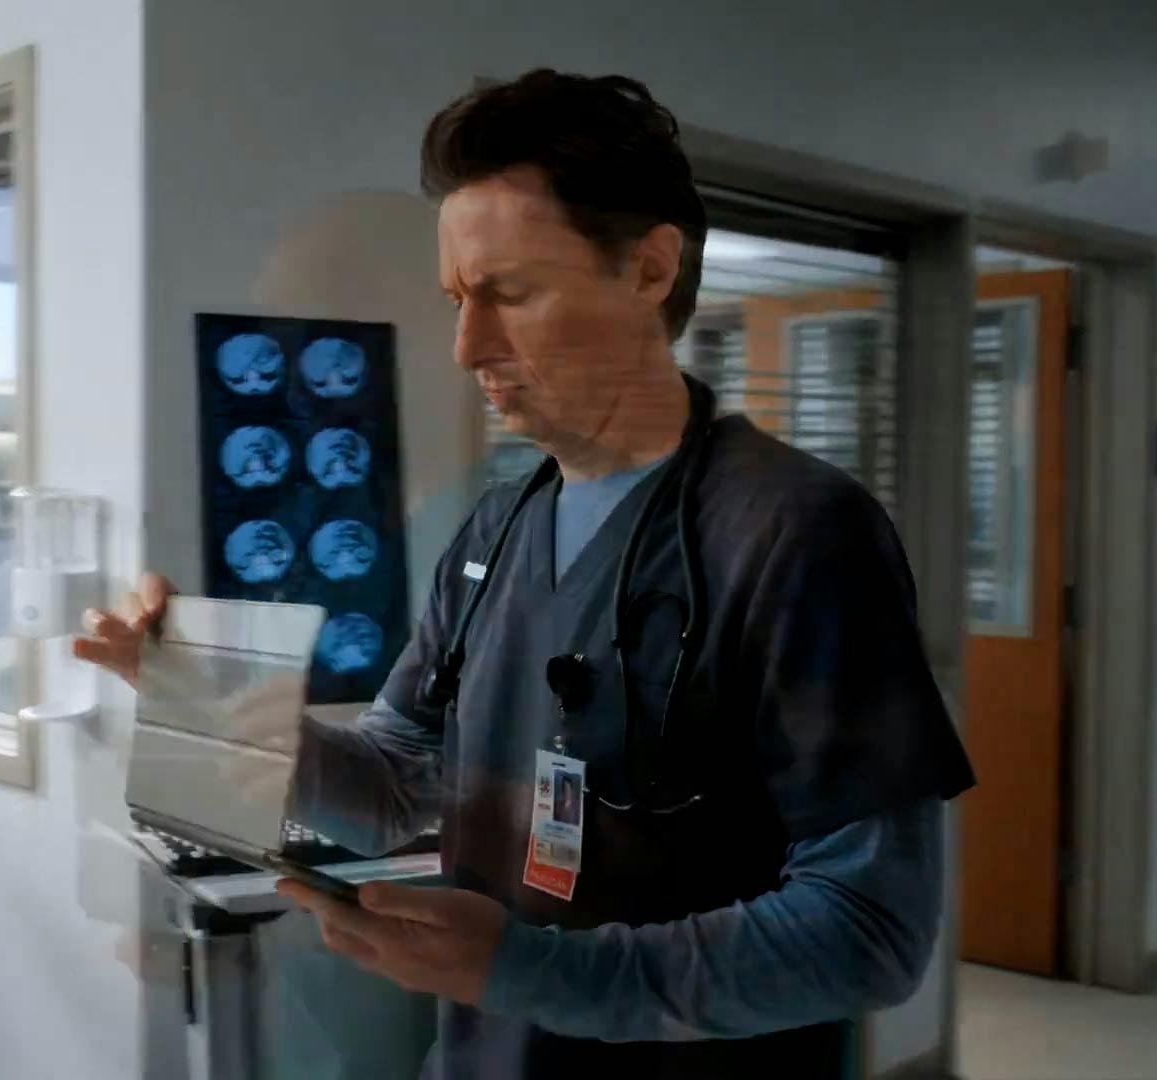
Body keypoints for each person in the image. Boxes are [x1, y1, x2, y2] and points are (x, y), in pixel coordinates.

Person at [79, 69, 975, 1077]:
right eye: (458, 300)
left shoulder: (796, 532)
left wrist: (537, 973)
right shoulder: (497, 530)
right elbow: (396, 787)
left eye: (509, 293)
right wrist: (210, 703)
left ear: (648, 270)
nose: (468, 346)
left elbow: (870, 930)